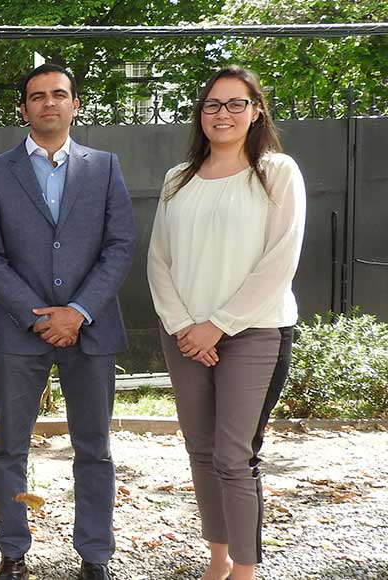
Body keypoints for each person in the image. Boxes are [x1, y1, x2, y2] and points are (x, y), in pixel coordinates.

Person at [0, 63, 136, 580]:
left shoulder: (104, 166)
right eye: (38, 96)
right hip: (21, 332)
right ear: (23, 108)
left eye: (59, 94)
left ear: (75, 104)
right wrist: (37, 315)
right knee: (9, 449)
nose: (49, 102)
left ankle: (95, 556)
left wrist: (78, 312)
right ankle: (13, 552)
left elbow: (120, 244)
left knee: (94, 449)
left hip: (91, 329)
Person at [147, 65, 304, 580]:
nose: (223, 113)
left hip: (254, 332)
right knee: (200, 450)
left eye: (237, 103)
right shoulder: (178, 179)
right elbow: (159, 260)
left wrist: (217, 325)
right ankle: (217, 560)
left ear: (256, 111)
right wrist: (183, 326)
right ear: (201, 114)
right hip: (185, 336)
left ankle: (245, 570)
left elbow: (280, 261)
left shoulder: (277, 172)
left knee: (235, 456)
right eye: (213, 104)